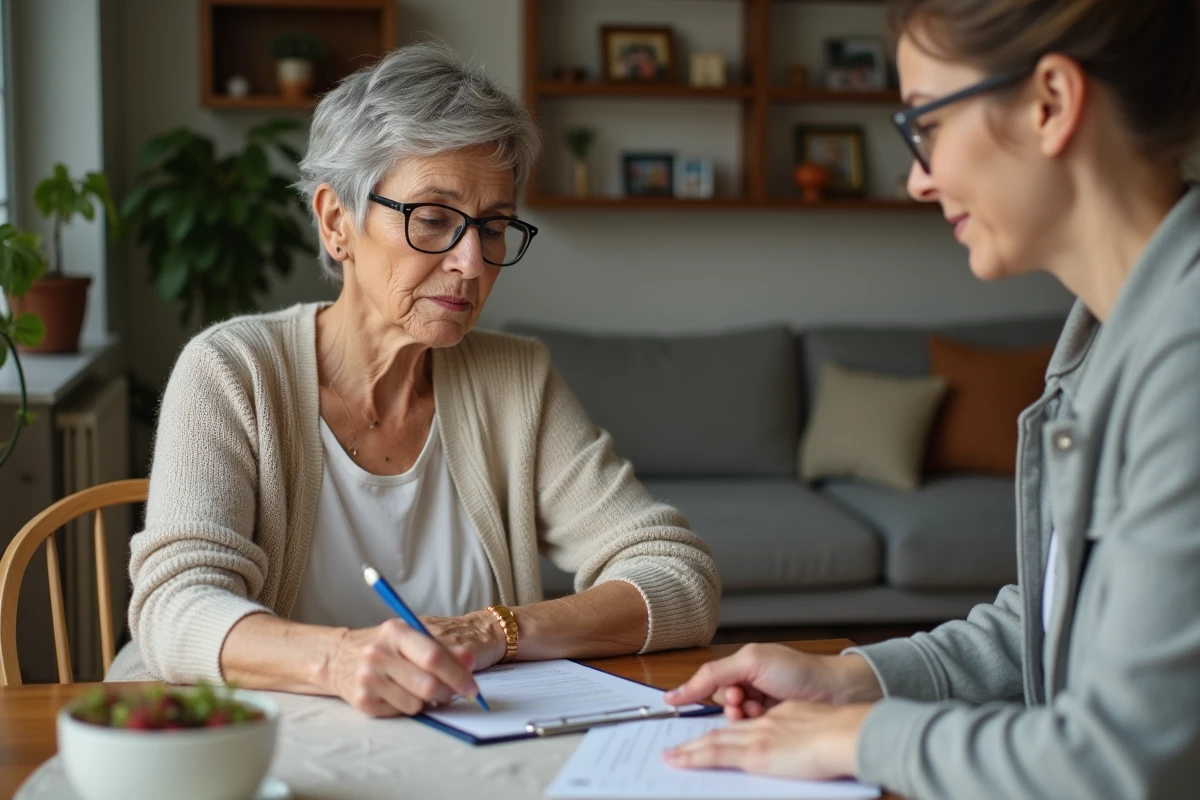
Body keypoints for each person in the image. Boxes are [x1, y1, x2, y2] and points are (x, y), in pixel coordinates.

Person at [662, 0, 1200, 796]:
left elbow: (1120, 761)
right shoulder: (1108, 339)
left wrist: (858, 737)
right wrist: (854, 680)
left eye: (929, 124)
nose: (918, 179)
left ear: (1051, 103)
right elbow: (1058, 619)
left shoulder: (1184, 354)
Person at [107, 42, 721, 717]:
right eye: (433, 219)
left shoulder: (516, 380)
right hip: (266, 740)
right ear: (336, 222)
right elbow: (175, 606)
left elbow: (678, 575)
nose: (472, 262)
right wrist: (341, 660)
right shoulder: (233, 371)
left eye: (493, 226)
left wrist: (495, 630)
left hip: (469, 741)